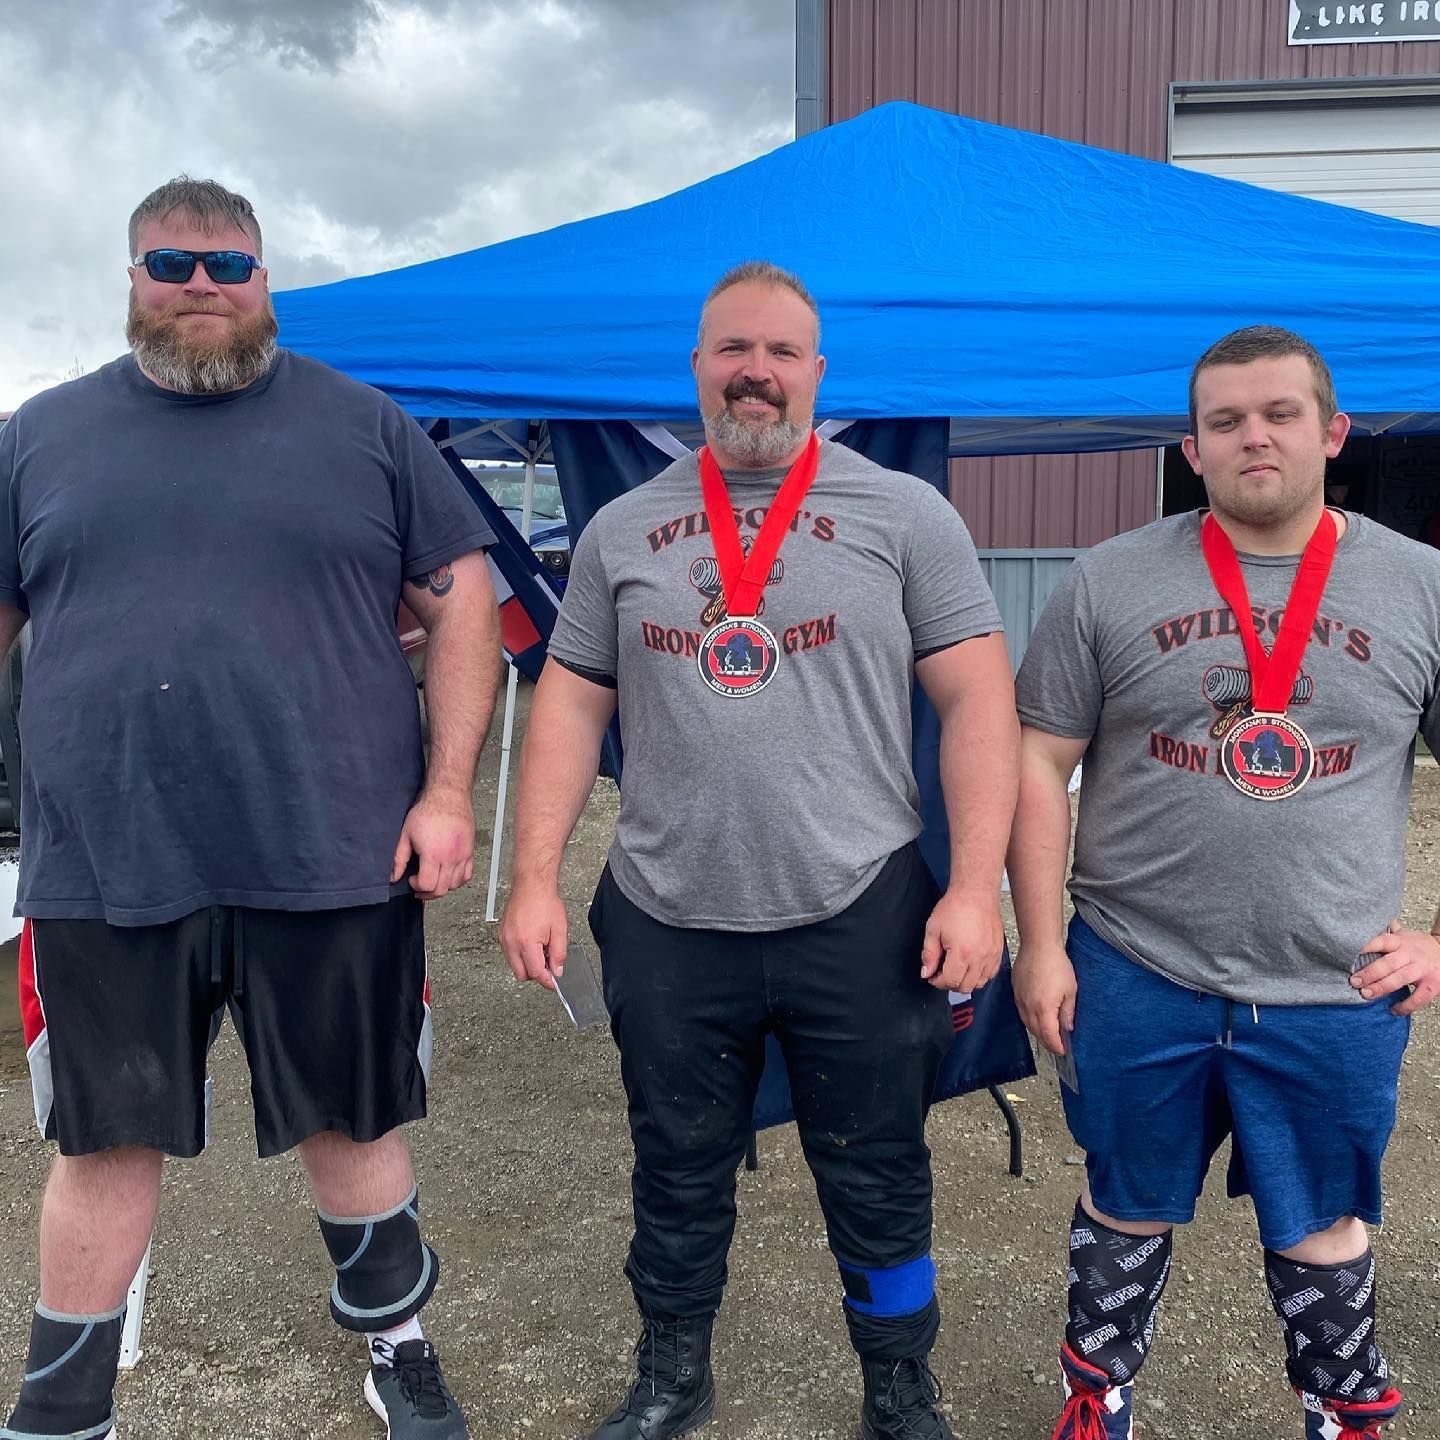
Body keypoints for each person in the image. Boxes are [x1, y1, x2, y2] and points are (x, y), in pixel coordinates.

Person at [0, 177, 501, 1440]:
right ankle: (62, 1407)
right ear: (132, 281)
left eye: (231, 266)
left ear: (267, 280)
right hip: (105, 857)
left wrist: (447, 794)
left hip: (331, 848)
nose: (203, 286)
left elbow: (466, 609)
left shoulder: (366, 427)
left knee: (354, 1112)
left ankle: (397, 1343)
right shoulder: (39, 437)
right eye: (172, 264)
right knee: (101, 1135)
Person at [499, 260, 1018, 1440]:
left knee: (878, 1169)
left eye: (783, 352)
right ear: (696, 370)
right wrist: (534, 875)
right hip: (670, 912)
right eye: (734, 349)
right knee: (675, 1166)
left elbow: (981, 703)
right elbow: (573, 704)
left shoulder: (905, 513)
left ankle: (900, 1387)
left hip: (859, 907)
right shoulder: (624, 527)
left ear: (818, 375)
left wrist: (975, 888)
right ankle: (673, 1376)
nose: (757, 372)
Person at [1008, 325, 1440, 1440]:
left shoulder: (1420, 585)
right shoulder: (1110, 578)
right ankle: (1098, 1399)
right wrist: (1044, 944)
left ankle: (1346, 1413)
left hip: (1332, 984)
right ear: (1191, 448)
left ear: (1332, 431)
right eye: (1226, 420)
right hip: (1134, 964)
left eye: (1280, 414)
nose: (1255, 436)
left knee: (1325, 1217)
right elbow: (1038, 758)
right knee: (1124, 1198)